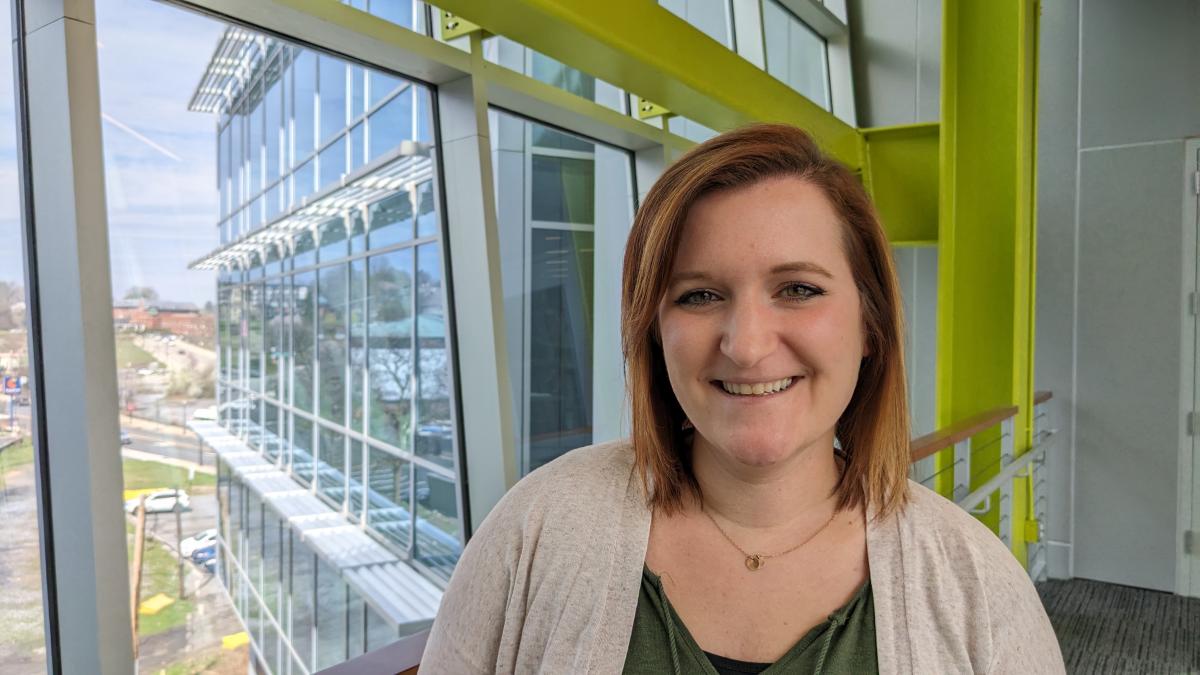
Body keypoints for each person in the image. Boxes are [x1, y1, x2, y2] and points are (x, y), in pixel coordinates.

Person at [422, 123, 1064, 674]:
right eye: (699, 295)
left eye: (799, 289)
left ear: (870, 325)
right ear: (653, 331)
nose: (748, 346)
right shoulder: (536, 527)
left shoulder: (973, 579)